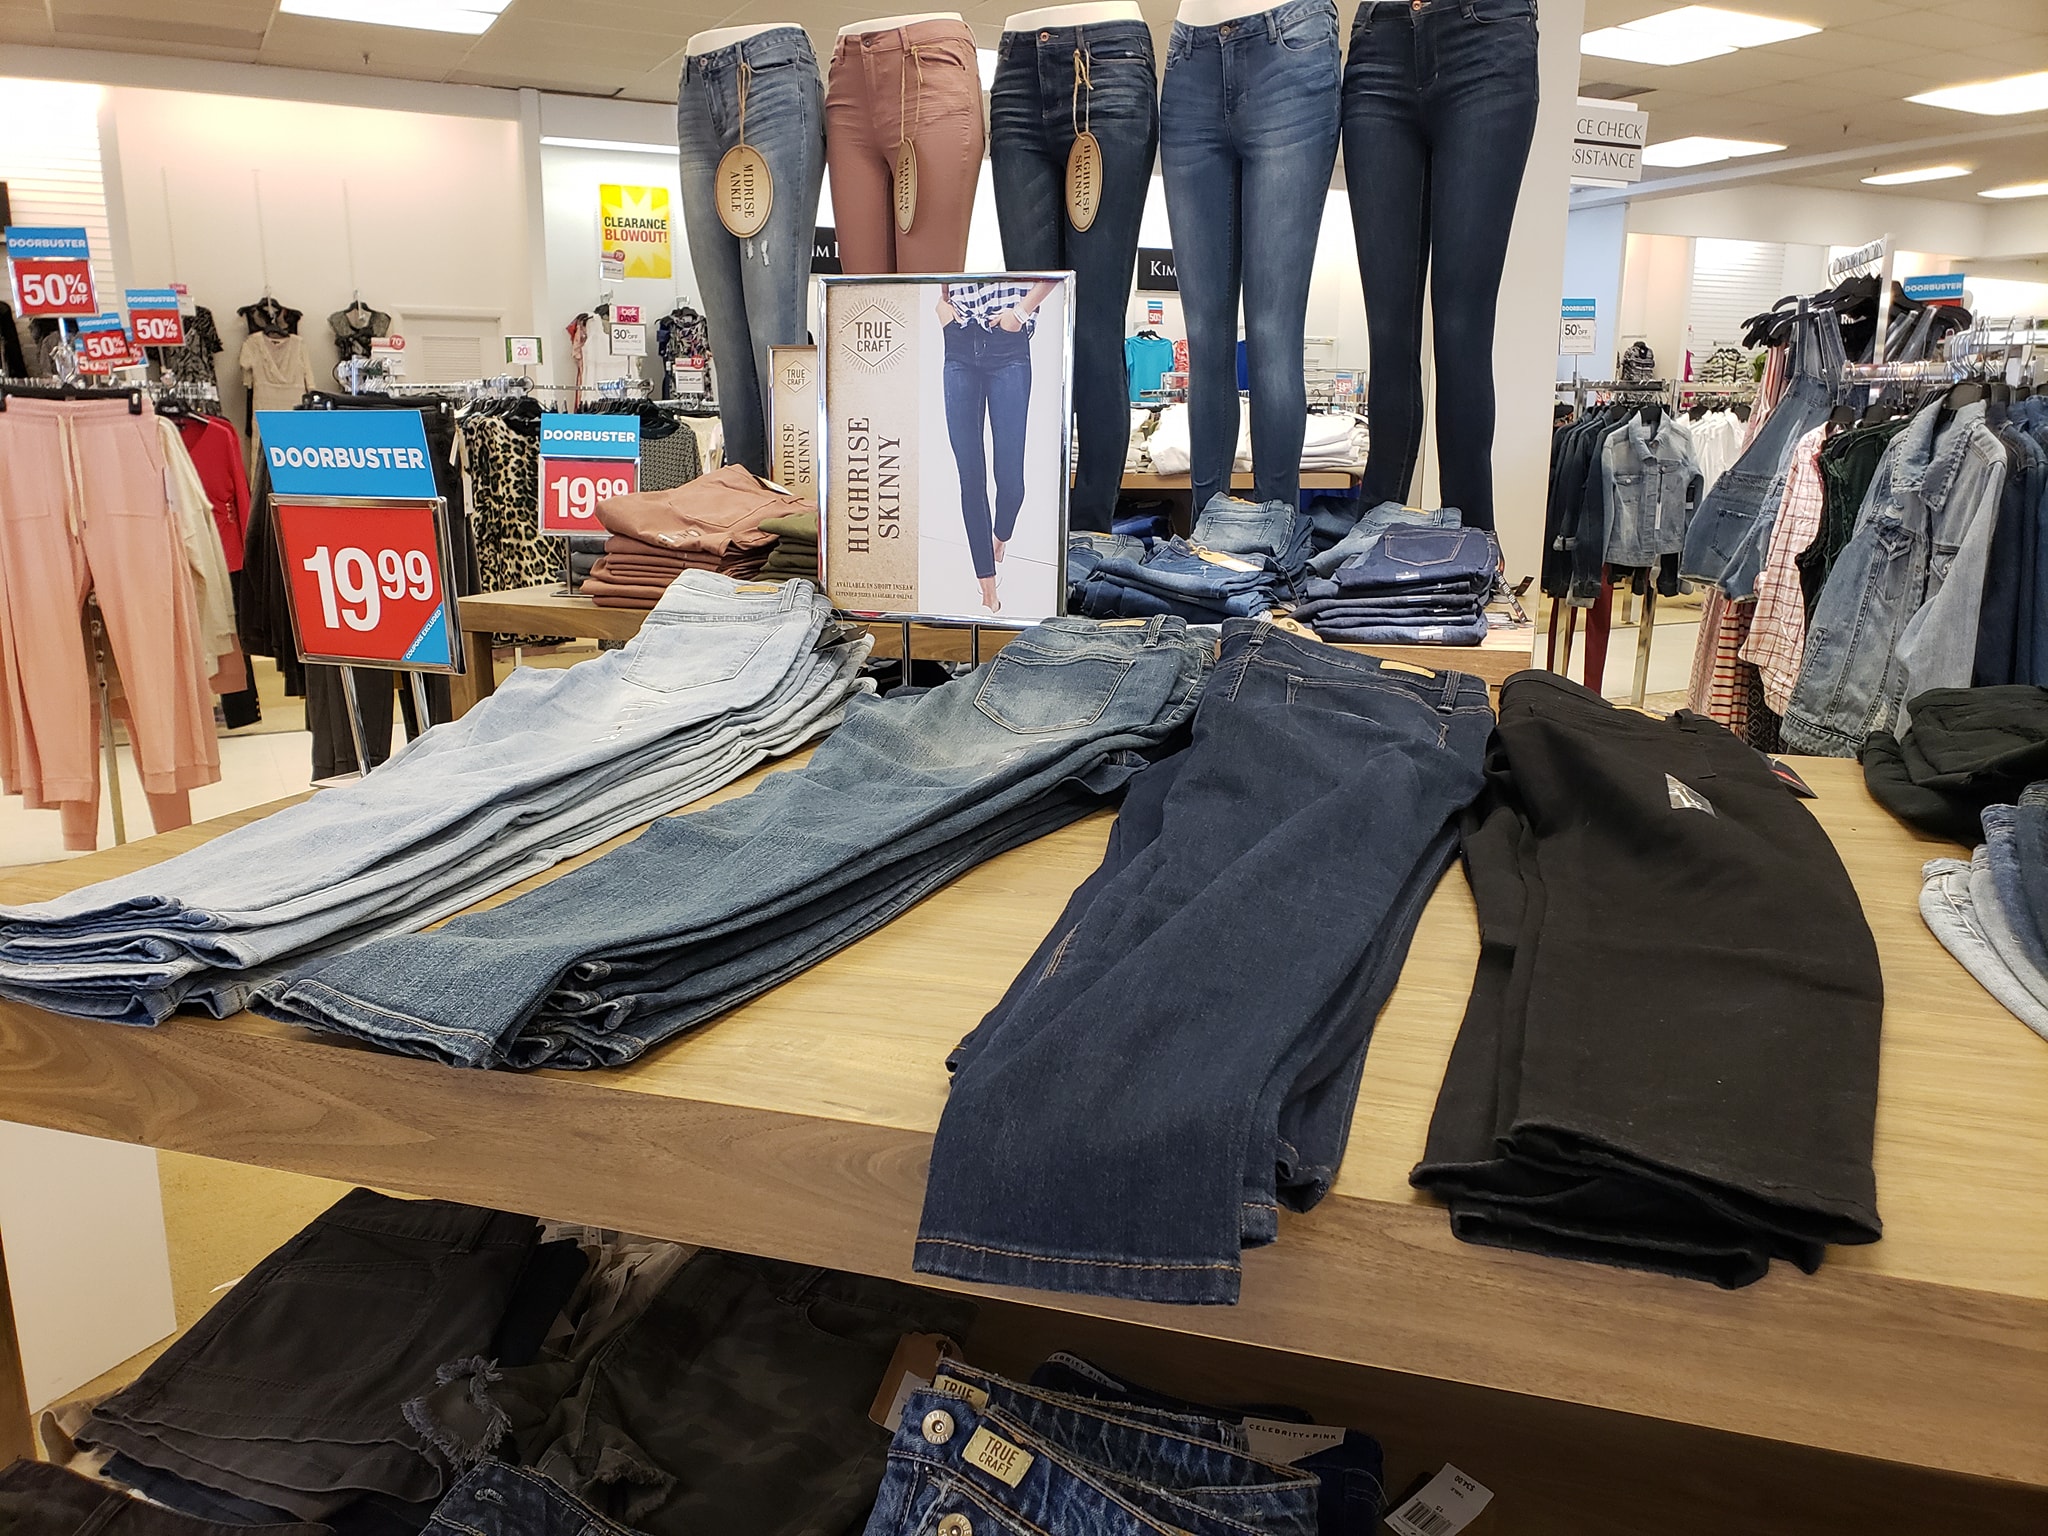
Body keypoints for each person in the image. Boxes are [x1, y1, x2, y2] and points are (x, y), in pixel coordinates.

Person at [937, 278, 1058, 612]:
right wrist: (942, 304)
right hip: (959, 340)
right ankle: (987, 588)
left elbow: (1053, 271)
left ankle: (1001, 536)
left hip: (1008, 342)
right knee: (970, 477)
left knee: (1011, 483)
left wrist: (1019, 314)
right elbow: (946, 262)